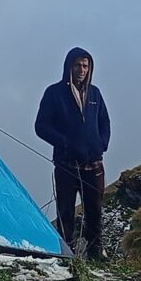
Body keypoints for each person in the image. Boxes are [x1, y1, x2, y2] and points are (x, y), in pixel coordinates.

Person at [35, 47, 111, 259]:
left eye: (86, 66)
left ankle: (96, 253)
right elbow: (41, 126)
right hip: (66, 165)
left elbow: (105, 122)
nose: (82, 70)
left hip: (94, 164)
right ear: (69, 66)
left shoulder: (95, 93)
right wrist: (65, 143)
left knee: (95, 211)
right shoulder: (54, 93)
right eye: (78, 65)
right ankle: (65, 253)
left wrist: (101, 144)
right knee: (66, 211)